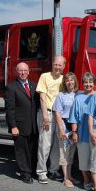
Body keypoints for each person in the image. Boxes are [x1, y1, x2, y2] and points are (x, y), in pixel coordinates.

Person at [4, 62, 39, 184]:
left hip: (33, 125)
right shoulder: (11, 87)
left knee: (32, 150)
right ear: (16, 72)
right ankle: (25, 173)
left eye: (25, 70)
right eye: (20, 70)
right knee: (21, 150)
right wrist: (13, 126)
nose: (23, 73)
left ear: (29, 71)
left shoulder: (35, 86)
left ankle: (32, 170)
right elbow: (10, 109)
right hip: (19, 125)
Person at [36, 56, 65, 184]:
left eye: (60, 65)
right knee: (45, 144)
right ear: (52, 64)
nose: (57, 67)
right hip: (47, 113)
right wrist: (45, 116)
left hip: (59, 115)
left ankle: (53, 170)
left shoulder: (64, 79)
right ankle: (41, 172)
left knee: (57, 145)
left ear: (63, 66)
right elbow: (42, 96)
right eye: (55, 64)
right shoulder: (44, 76)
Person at [68, 72, 96, 191]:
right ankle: (86, 180)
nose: (88, 84)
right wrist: (74, 133)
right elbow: (74, 117)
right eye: (85, 82)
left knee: (95, 159)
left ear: (94, 83)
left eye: (90, 82)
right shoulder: (78, 98)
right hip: (82, 133)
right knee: (84, 159)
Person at [53, 72, 79, 188]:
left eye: (72, 80)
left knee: (71, 153)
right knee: (64, 152)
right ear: (65, 82)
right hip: (65, 126)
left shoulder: (78, 95)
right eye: (67, 80)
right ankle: (65, 178)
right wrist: (62, 130)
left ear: (75, 82)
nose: (70, 82)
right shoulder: (60, 95)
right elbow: (57, 113)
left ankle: (70, 175)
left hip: (74, 127)